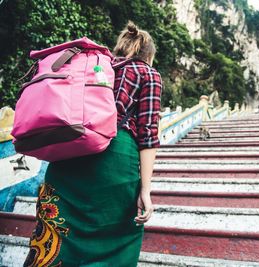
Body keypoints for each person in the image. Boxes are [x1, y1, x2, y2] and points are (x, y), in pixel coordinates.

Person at [24, 21, 162, 266]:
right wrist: (146, 190)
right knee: (116, 239)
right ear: (148, 54)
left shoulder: (96, 64)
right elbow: (148, 134)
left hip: (68, 155)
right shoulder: (148, 73)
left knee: (56, 233)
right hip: (114, 162)